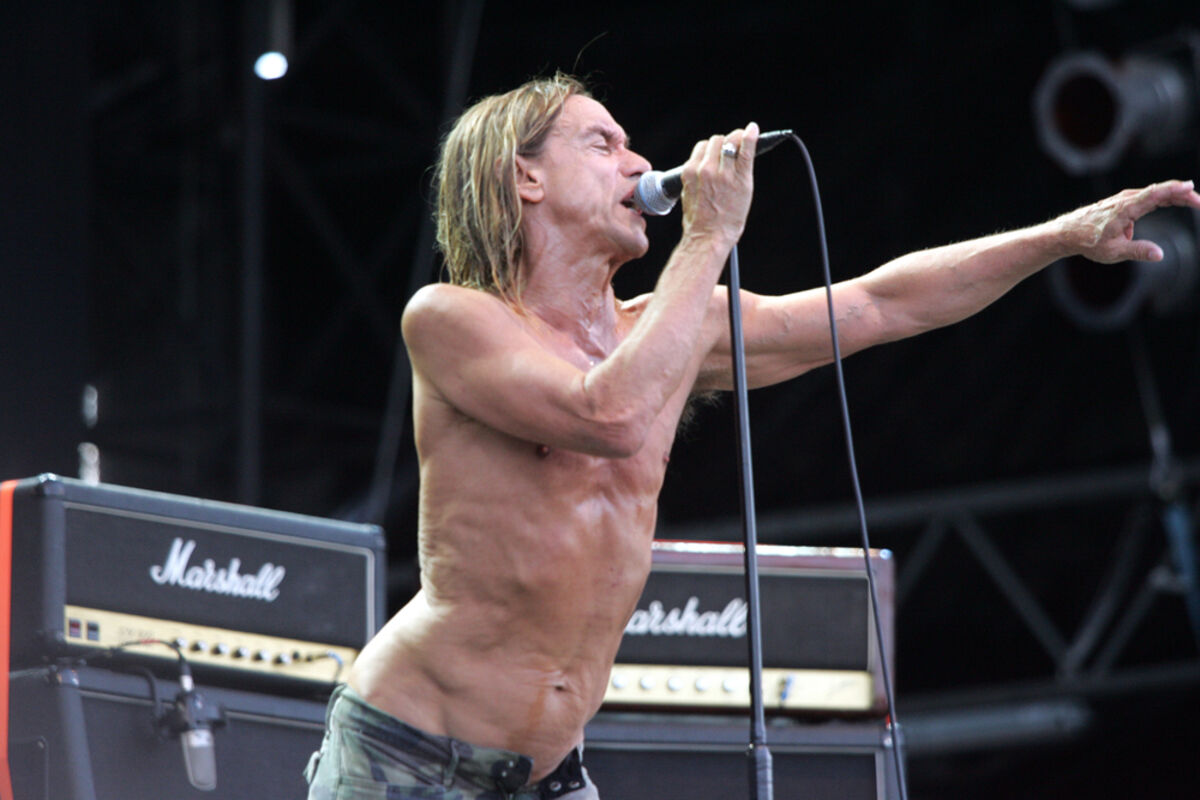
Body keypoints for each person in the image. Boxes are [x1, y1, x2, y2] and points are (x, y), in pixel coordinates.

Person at [304, 72, 1200, 799]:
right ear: (526, 178)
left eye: (630, 143)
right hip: (410, 753)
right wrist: (709, 236)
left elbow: (881, 304)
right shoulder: (451, 319)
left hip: (549, 773)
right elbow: (608, 415)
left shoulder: (670, 329)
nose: (638, 162)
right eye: (601, 143)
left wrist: (1058, 236)